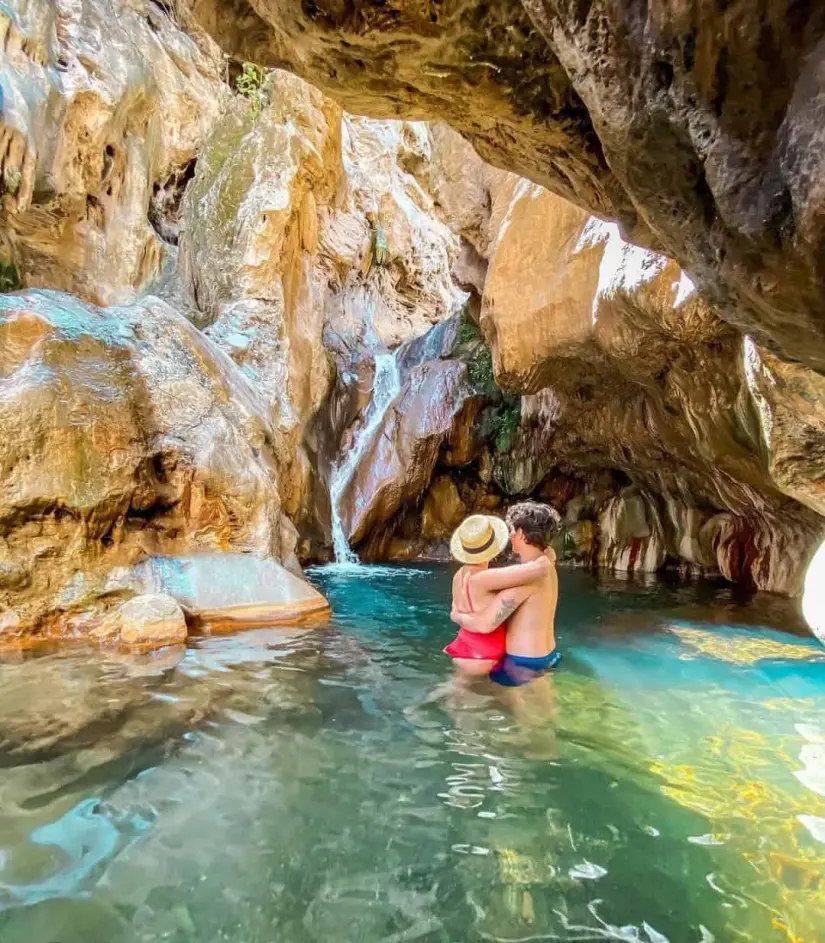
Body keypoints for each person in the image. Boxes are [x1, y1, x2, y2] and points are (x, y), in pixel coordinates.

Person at [450, 502, 561, 687]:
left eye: (512, 530)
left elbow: (485, 624)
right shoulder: (545, 567)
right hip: (545, 653)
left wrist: (456, 616)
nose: (509, 535)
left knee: (523, 714)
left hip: (523, 662)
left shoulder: (530, 577)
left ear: (521, 535)